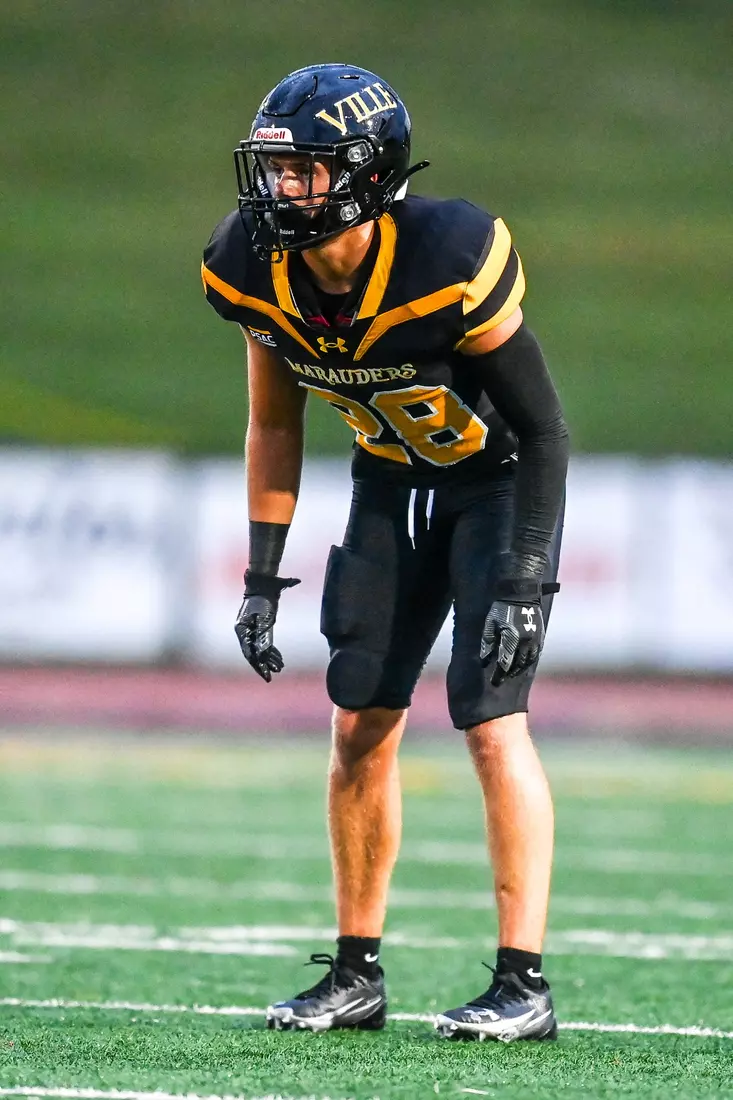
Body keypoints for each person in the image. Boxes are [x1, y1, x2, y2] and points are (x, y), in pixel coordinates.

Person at [202, 62, 569, 1043]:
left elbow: (543, 430)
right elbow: (272, 426)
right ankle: (356, 971)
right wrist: (262, 568)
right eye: (276, 171)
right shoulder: (253, 265)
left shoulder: (446, 252)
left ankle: (522, 980)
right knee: (357, 720)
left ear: (366, 174)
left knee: (491, 721)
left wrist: (528, 573)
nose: (282, 191)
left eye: (306, 171)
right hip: (388, 483)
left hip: (492, 484)